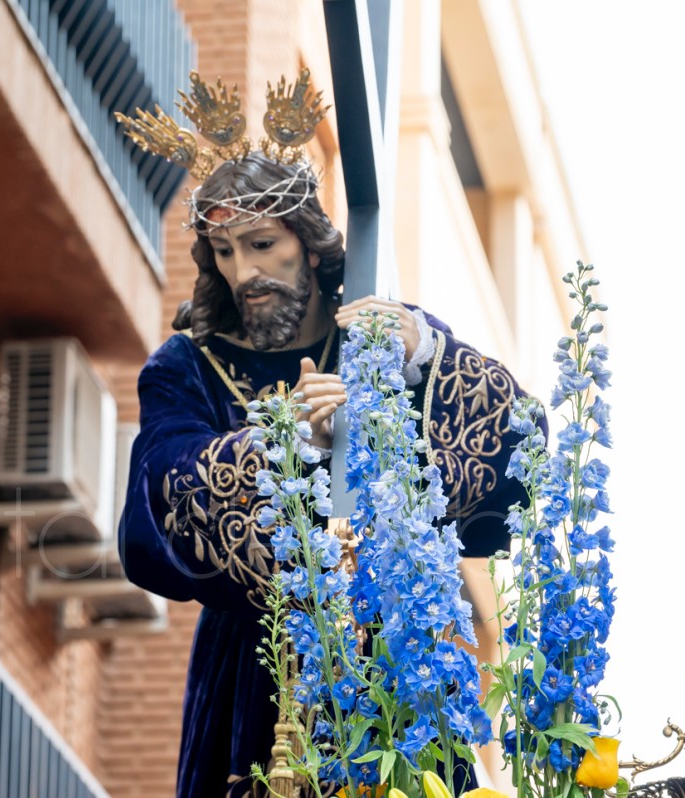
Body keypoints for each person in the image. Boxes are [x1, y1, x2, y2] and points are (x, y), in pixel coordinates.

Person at [117, 151, 540, 797]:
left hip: (397, 643)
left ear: (310, 245)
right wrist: (286, 442)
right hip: (261, 668)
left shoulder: (382, 337)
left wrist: (426, 351)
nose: (244, 272)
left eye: (262, 244)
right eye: (225, 252)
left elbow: (519, 445)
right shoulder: (188, 366)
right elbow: (157, 497)